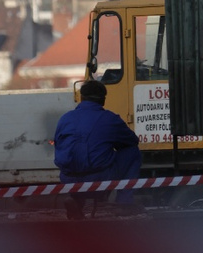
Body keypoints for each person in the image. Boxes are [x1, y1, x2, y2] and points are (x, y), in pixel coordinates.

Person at [53, 79, 141, 207]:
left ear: (81, 98)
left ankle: (76, 200)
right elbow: (132, 141)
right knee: (133, 152)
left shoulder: (65, 119)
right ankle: (124, 202)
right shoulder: (110, 119)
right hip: (98, 178)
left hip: (68, 179)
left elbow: (58, 144)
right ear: (103, 100)